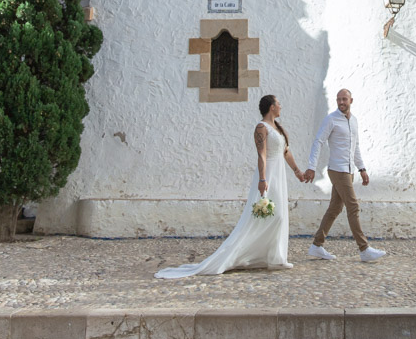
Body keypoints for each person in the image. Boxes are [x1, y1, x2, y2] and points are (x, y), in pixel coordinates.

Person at [154, 95, 305, 278]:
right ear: (271, 107)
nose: (281, 106)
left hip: (279, 175)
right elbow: (262, 155)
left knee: (279, 216)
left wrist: (297, 171)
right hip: (269, 174)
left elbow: (286, 152)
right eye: (278, 103)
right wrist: (263, 179)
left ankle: (275, 257)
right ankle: (238, 254)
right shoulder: (261, 128)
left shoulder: (278, 129)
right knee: (267, 216)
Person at [304, 89, 386, 262]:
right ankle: (364, 249)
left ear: (351, 100)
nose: (341, 102)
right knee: (353, 206)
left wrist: (362, 169)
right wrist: (312, 166)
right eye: (338, 99)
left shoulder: (354, 121)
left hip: (348, 171)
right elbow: (318, 141)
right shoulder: (331, 119)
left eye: (344, 99)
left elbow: (355, 147)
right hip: (337, 169)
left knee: (335, 208)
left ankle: (316, 246)